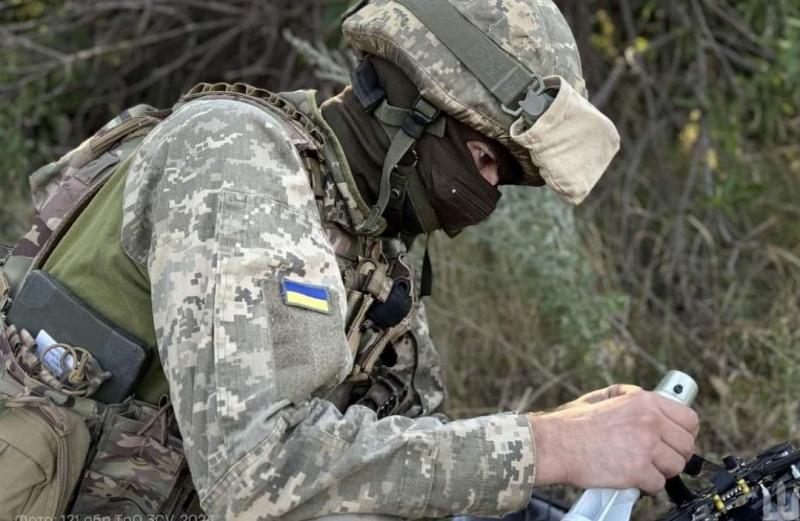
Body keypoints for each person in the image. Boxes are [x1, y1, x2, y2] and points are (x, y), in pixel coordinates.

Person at [3, 0, 699, 519]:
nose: (484, 196)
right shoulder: (235, 156)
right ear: (417, 106)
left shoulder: (374, 258)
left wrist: (562, 450)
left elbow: (401, 471)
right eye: (485, 159)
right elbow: (252, 476)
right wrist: (548, 444)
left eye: (505, 180)